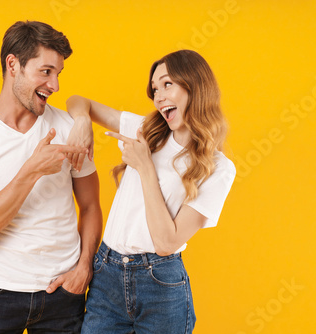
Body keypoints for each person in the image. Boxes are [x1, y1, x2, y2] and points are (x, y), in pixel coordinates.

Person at [0, 21, 102, 334]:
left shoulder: (70, 128)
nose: (54, 85)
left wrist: (84, 268)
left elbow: (91, 204)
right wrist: (32, 170)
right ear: (12, 64)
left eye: (58, 73)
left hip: (63, 294)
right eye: (45, 71)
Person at [65, 49, 236, 333]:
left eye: (167, 84)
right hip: (106, 274)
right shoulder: (145, 129)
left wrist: (145, 167)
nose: (158, 97)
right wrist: (83, 121)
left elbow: (166, 242)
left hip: (160, 284)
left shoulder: (218, 168)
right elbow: (77, 101)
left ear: (195, 85)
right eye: (155, 89)